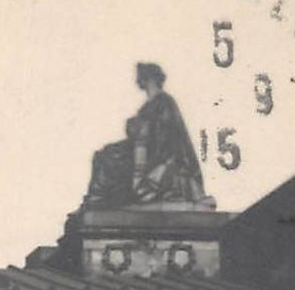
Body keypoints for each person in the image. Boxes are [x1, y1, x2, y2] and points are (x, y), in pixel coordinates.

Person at [86, 62, 206, 206]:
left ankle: (101, 198)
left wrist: (139, 128)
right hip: (143, 148)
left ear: (149, 79)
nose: (137, 81)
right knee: (103, 154)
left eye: (140, 77)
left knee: (109, 157)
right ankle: (100, 198)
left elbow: (167, 134)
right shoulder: (148, 105)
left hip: (158, 153)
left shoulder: (164, 101)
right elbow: (138, 130)